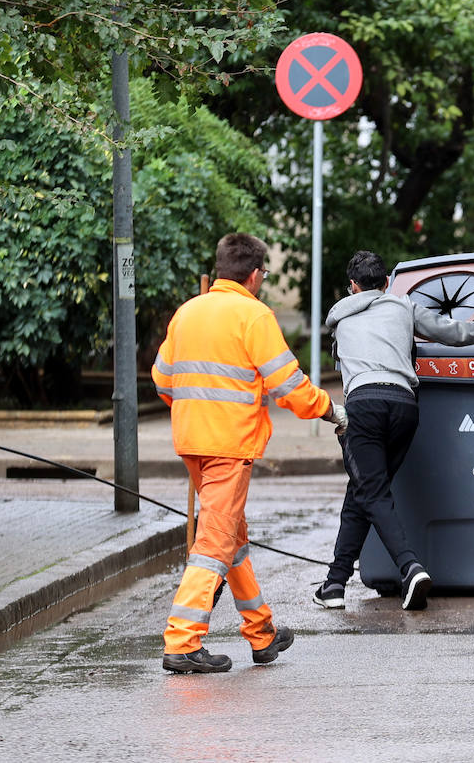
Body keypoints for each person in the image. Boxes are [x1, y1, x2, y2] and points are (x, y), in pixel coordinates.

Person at [152, 233, 346, 673]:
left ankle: (261, 634)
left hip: (193, 443)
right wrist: (329, 409)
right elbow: (287, 384)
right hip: (229, 447)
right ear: (256, 275)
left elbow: (162, 380)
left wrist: (194, 410)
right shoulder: (253, 315)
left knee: (232, 539)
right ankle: (182, 641)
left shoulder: (188, 312)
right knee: (214, 544)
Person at [314, 249, 474, 612]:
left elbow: (347, 370)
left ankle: (410, 567)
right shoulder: (402, 307)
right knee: (363, 490)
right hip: (404, 406)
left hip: (364, 406)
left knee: (371, 491)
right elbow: (453, 332)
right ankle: (335, 583)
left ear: (352, 287)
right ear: (385, 283)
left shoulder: (339, 321)